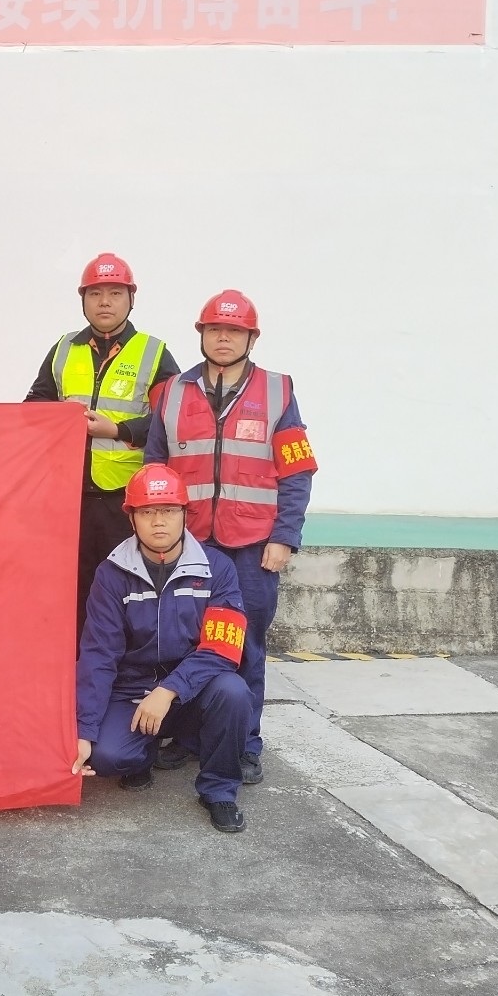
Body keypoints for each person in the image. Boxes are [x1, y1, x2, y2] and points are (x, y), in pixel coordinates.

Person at [145, 289, 316, 786]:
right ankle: (191, 737)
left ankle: (244, 744)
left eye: (234, 330)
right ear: (201, 334)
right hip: (188, 546)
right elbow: (155, 464)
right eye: (215, 329)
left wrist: (284, 536)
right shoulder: (172, 393)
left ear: (251, 338)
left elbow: (298, 471)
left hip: (252, 549)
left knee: (245, 647)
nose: (224, 338)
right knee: (185, 644)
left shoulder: (278, 392)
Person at [71, 464, 252, 833]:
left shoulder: (217, 568)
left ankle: (218, 791)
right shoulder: (112, 574)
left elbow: (223, 648)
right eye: (147, 512)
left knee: (233, 693)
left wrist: (169, 689)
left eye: (168, 510)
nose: (158, 522)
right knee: (106, 757)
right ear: (131, 518)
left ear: (185, 514)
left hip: (191, 690)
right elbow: (99, 654)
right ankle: (142, 755)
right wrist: (83, 730)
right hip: (131, 689)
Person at [23, 253, 180, 634]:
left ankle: (125, 665)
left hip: (124, 500)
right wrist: (57, 418)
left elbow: (171, 419)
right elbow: (34, 408)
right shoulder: (63, 348)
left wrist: (118, 430)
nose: (104, 302)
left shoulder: (153, 353)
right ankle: (77, 665)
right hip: (69, 498)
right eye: (95, 294)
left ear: (131, 299)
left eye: (114, 293)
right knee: (70, 591)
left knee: (126, 591)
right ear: (83, 300)